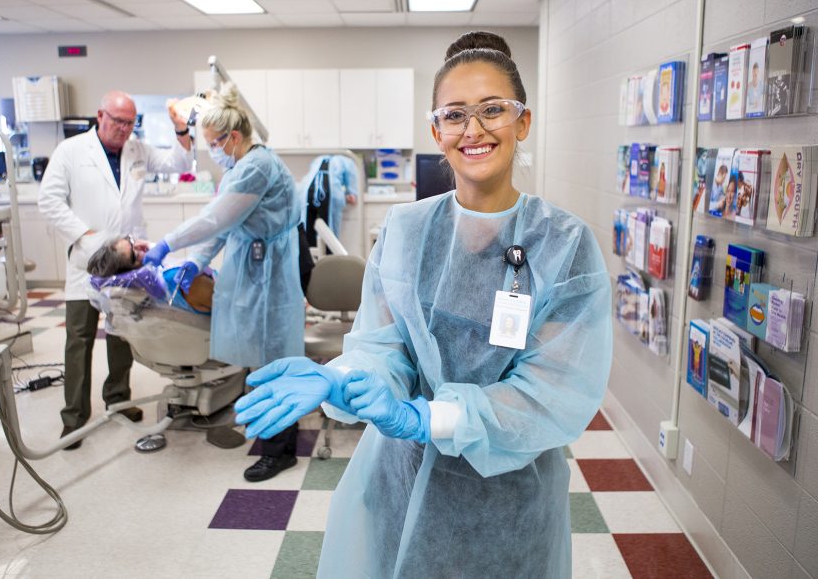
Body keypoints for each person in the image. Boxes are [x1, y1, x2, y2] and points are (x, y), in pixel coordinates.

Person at [233, 31, 612, 577]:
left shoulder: (564, 245)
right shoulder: (408, 232)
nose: (473, 129)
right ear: (436, 130)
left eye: (492, 111)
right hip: (401, 480)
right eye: (455, 114)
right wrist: (346, 379)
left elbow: (549, 395)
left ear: (522, 122)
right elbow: (382, 346)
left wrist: (425, 415)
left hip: (509, 504)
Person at [142, 83, 304, 481]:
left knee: (274, 359)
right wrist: (196, 262)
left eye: (213, 142)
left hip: (272, 271)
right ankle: (269, 432)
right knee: (259, 355)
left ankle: (281, 451)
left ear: (233, 137)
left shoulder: (256, 167)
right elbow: (225, 227)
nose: (211, 150)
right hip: (255, 264)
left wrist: (166, 244)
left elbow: (214, 219)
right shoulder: (240, 166)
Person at [38, 90, 193, 450]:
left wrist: (182, 131)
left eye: (130, 122)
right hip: (86, 260)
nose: (125, 129)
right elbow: (49, 200)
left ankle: (119, 401)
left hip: (127, 260)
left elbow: (179, 164)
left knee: (122, 333)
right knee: (79, 339)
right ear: (100, 116)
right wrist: (86, 236)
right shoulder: (72, 151)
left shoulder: (137, 149)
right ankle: (73, 418)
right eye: (118, 121)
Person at [86, 235, 214, 314]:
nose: (140, 247)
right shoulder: (178, 280)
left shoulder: (166, 280)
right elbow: (227, 302)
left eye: (131, 240)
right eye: (134, 255)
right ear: (131, 273)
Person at [300, 154, 358, 247]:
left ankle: (310, 259)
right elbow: (352, 197)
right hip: (330, 192)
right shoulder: (348, 161)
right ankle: (330, 259)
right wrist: (350, 195)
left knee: (308, 233)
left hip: (306, 192)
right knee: (330, 236)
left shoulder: (318, 159)